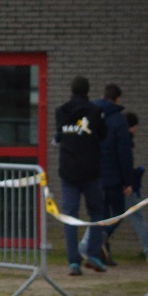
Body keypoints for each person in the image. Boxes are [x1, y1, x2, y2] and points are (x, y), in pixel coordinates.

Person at [55, 76, 108, 275]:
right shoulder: (95, 112)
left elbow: (59, 135)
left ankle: (73, 262)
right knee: (96, 213)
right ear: (87, 91)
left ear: (72, 89)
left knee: (70, 217)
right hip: (91, 171)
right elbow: (102, 134)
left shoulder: (61, 111)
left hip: (68, 171)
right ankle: (94, 255)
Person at [82, 83, 135, 265]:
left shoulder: (92, 115)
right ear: (117, 98)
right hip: (113, 177)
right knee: (119, 212)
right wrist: (128, 180)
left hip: (95, 175)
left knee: (102, 216)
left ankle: (104, 255)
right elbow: (124, 153)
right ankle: (103, 239)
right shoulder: (119, 120)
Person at [122, 112, 148, 262]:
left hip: (119, 185)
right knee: (138, 217)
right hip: (126, 187)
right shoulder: (125, 142)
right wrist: (128, 182)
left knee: (109, 216)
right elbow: (125, 163)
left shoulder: (119, 139)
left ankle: (86, 246)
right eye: (135, 126)